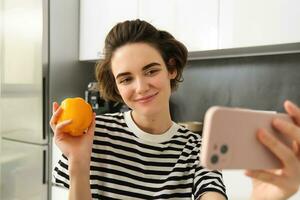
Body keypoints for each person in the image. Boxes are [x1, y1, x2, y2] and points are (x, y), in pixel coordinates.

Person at [50, 19, 300, 200]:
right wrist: (79, 164)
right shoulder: (93, 136)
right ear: (116, 85)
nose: (141, 87)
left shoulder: (196, 148)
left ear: (171, 69)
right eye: (126, 79)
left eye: (151, 70)